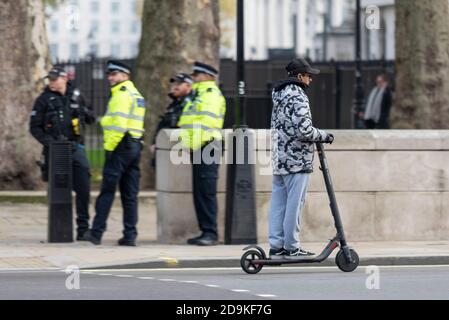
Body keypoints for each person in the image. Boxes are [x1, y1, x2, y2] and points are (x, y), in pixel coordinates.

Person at [269, 57, 334, 259]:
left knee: (279, 204)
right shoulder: (298, 96)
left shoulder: (279, 94)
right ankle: (292, 247)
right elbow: (304, 131)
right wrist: (324, 135)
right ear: (299, 76)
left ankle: (276, 246)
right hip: (297, 159)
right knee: (294, 205)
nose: (310, 80)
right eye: (308, 76)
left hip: (280, 157)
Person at [30, 66, 96, 241]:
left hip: (76, 148)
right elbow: (34, 127)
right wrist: (50, 143)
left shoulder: (77, 96)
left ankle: (83, 229)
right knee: (59, 190)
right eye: (49, 80)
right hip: (55, 151)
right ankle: (59, 230)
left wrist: (85, 113)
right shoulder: (43, 100)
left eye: (54, 79)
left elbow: (91, 117)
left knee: (83, 188)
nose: (51, 82)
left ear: (64, 78)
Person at [84, 60, 145, 246]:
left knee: (107, 191)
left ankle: (96, 233)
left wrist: (109, 149)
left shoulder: (122, 94)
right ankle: (130, 235)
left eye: (114, 74)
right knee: (130, 194)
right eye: (109, 74)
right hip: (134, 146)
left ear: (125, 76)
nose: (110, 78)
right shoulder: (136, 94)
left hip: (120, 146)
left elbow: (118, 125)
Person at [178, 62, 226, 246]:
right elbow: (187, 121)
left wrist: (193, 145)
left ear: (207, 76)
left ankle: (210, 233)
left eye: (197, 74)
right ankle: (205, 230)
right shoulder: (196, 95)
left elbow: (204, 123)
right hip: (199, 146)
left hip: (208, 145)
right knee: (200, 191)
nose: (194, 77)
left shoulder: (210, 95)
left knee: (206, 192)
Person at [150, 73, 194, 167]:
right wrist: (155, 142)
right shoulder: (174, 104)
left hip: (181, 151)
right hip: (167, 149)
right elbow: (164, 123)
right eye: (173, 84)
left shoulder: (192, 103)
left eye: (178, 84)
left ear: (188, 85)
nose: (174, 86)